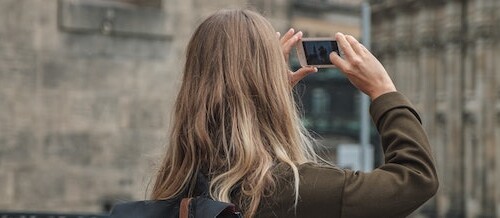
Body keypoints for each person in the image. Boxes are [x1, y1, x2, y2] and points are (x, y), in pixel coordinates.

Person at [150, 9, 438, 218]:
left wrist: (265, 96)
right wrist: (383, 91)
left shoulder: (176, 182)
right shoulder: (295, 191)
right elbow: (415, 179)